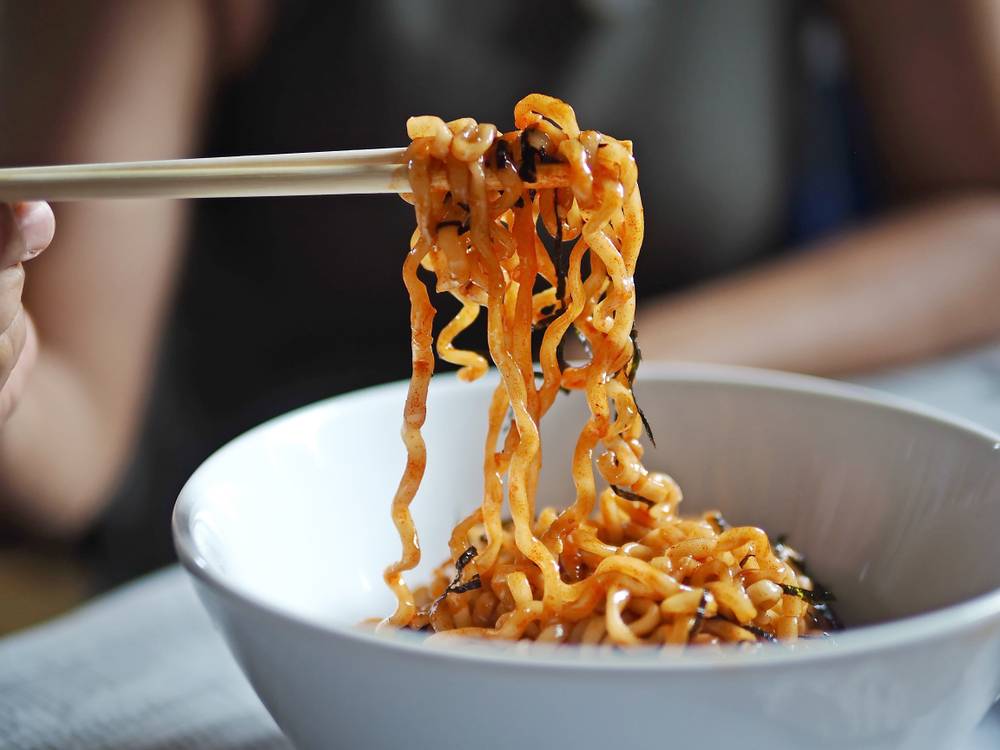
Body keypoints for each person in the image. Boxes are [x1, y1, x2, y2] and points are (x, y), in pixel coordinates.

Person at [1, 0, 999, 585]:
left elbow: (981, 216)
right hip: (272, 554)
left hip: (707, 481)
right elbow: (71, 437)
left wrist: (604, 360)